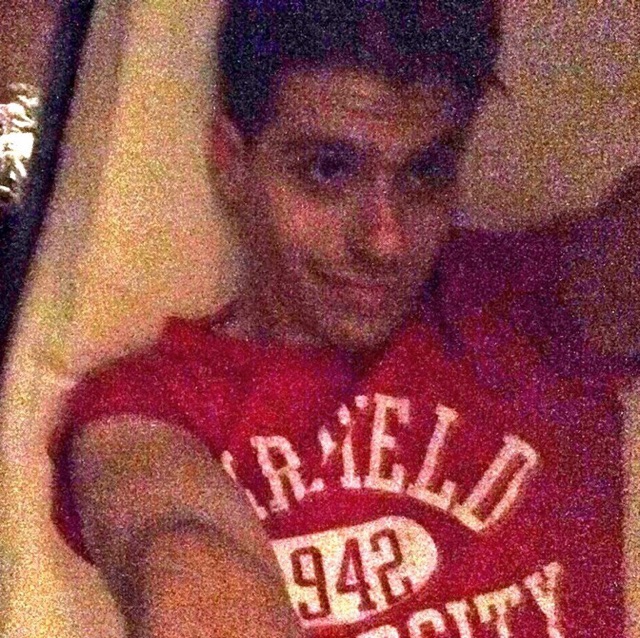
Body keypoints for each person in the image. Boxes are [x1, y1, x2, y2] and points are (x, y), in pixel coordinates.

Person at [49, 1, 639, 637]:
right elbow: (182, 547)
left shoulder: (539, 301)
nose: (385, 241)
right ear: (232, 160)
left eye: (425, 172)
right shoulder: (148, 406)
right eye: (329, 169)